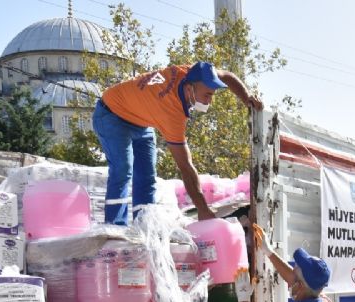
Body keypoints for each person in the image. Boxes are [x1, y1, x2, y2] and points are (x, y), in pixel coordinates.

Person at [92, 61, 263, 225]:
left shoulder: (194, 73)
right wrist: (202, 210)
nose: (210, 101)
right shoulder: (171, 112)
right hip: (112, 113)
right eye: (207, 95)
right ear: (189, 89)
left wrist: (246, 98)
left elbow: (227, 76)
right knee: (123, 169)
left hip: (142, 120)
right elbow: (186, 167)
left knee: (146, 177)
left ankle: (143, 226)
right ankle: (115, 226)